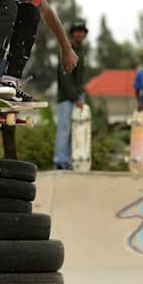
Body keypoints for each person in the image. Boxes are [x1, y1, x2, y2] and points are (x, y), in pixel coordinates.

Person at [53, 18, 88, 170]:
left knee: (76, 130)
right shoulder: (66, 49)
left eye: (81, 31)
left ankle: (69, 161)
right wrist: (75, 98)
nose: (79, 34)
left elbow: (80, 78)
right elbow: (65, 78)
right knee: (64, 129)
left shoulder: (83, 51)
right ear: (72, 34)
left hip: (78, 96)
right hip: (66, 98)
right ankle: (60, 161)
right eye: (76, 31)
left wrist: (81, 96)